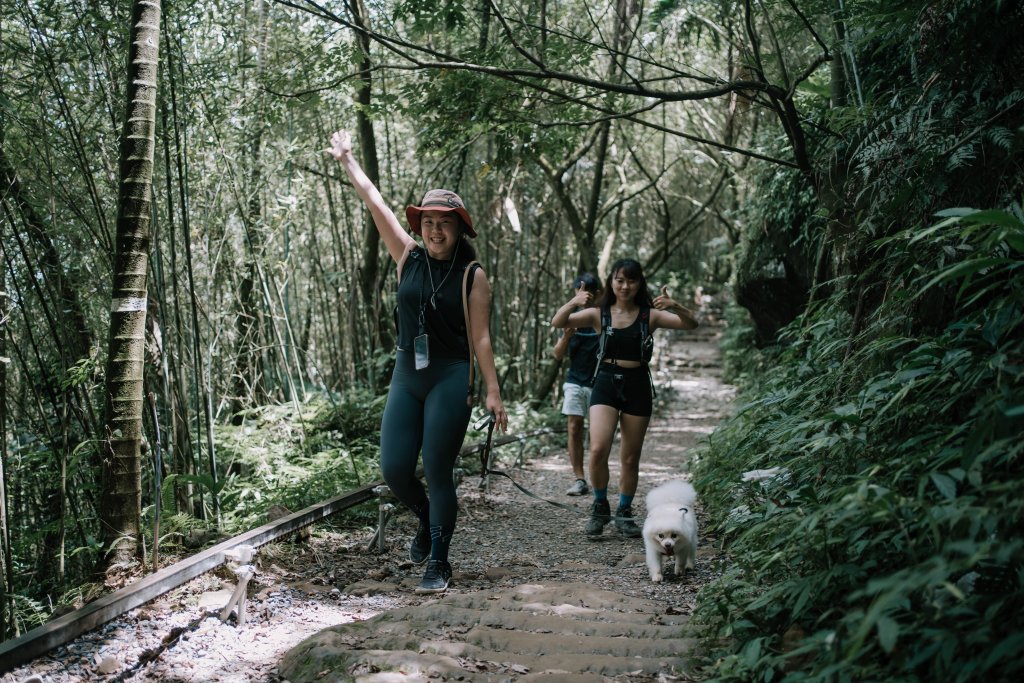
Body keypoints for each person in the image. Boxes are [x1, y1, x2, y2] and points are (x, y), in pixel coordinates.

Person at [327, 129, 508, 592]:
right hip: (409, 371)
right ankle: (427, 519)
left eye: (444, 222)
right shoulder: (407, 255)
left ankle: (440, 561)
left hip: (450, 373)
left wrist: (491, 390)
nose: (434, 229)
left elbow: (482, 339)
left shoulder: (472, 274)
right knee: (393, 467)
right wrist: (347, 159)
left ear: (460, 228)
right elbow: (375, 204)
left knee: (437, 464)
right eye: (427, 220)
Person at [551, 259, 697, 539]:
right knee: (598, 448)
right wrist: (575, 300)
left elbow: (691, 324)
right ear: (611, 282)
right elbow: (558, 321)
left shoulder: (649, 316)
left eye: (631, 280)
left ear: (639, 283)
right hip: (605, 381)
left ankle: (625, 511)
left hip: (638, 384)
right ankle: (600, 505)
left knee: (630, 457)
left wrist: (675, 305)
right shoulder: (598, 314)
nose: (625, 286)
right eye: (619, 280)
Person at [552, 273, 602, 496]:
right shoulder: (571, 319)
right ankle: (579, 478)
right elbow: (557, 355)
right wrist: (565, 338)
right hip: (575, 381)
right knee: (574, 428)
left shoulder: (604, 318)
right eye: (579, 291)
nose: (584, 297)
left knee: (599, 434)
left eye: (589, 292)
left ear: (598, 294)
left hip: (599, 382)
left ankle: (598, 477)